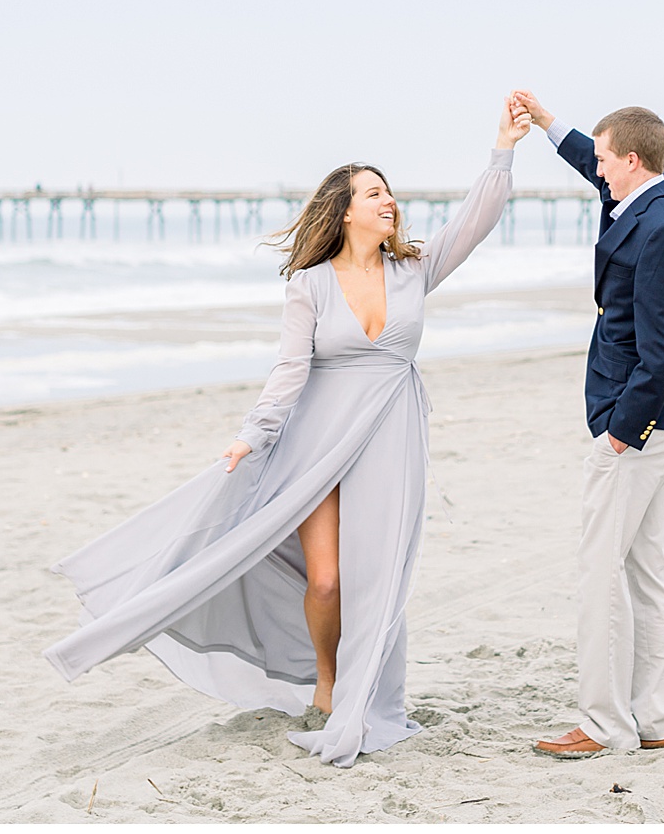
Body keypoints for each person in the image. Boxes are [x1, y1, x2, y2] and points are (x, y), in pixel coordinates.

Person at [42, 97, 532, 769]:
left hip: (390, 442)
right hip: (316, 446)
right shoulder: (308, 285)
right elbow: (288, 373)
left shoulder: (414, 267)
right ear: (345, 209)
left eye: (388, 191)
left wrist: (501, 149)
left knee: (376, 579)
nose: (389, 201)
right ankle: (327, 681)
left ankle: (364, 698)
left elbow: (474, 221)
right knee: (325, 583)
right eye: (374, 192)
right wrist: (252, 434)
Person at [511, 91, 664, 759]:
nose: (598, 168)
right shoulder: (643, 199)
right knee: (646, 570)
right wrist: (544, 121)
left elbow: (663, 346)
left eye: (606, 158)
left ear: (634, 159)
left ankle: (606, 724)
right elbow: (590, 161)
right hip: (648, 423)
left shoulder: (661, 229)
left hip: (637, 426)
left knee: (599, 573)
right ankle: (661, 717)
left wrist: (621, 428)